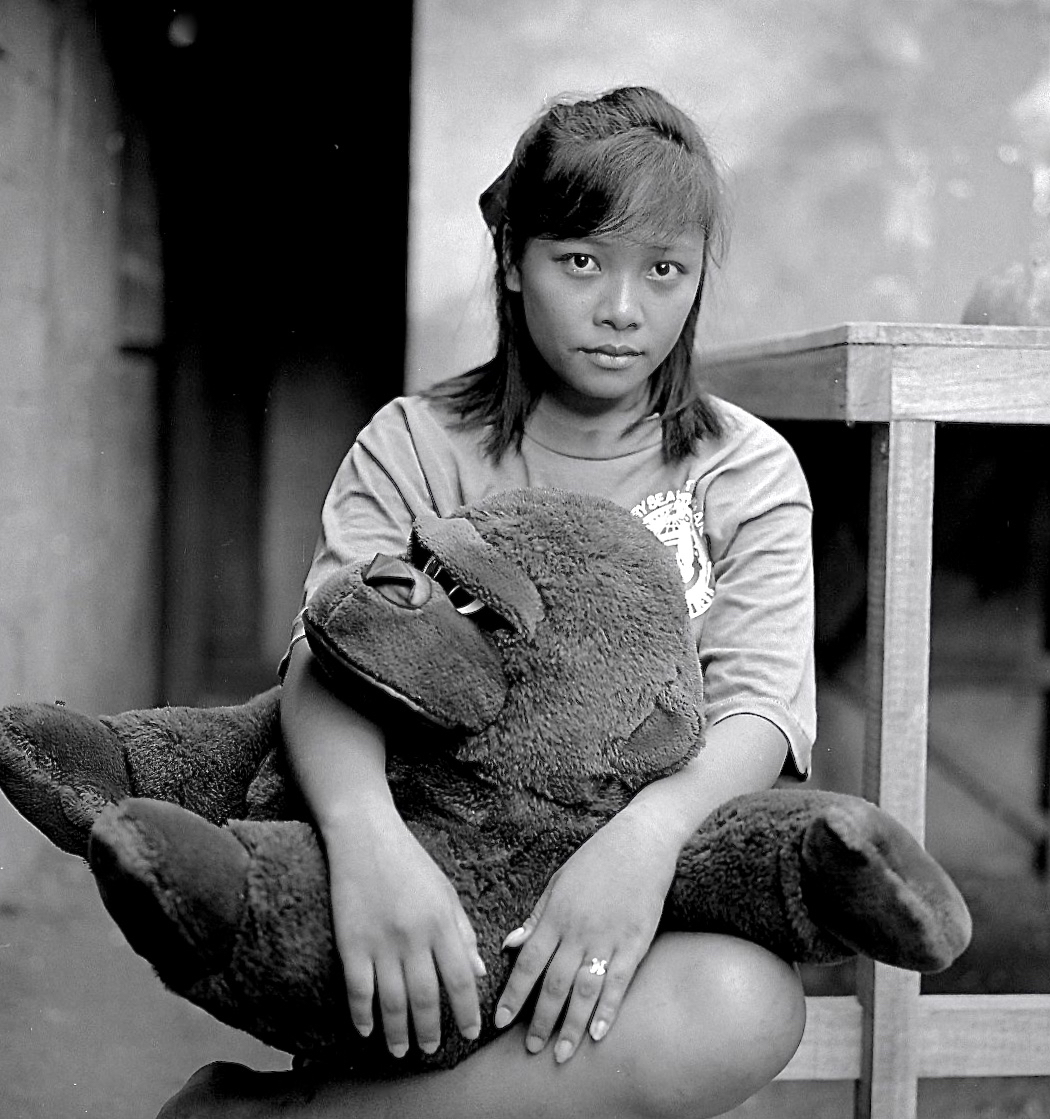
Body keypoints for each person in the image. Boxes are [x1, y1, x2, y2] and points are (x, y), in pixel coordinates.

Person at [160, 84, 815, 1119]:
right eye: (580, 261)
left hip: (629, 870)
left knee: (751, 1006)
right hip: (430, 855)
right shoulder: (417, 443)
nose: (621, 309)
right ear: (514, 261)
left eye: (665, 270)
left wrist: (643, 845)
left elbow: (761, 706)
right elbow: (329, 655)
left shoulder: (744, 469)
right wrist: (369, 844)